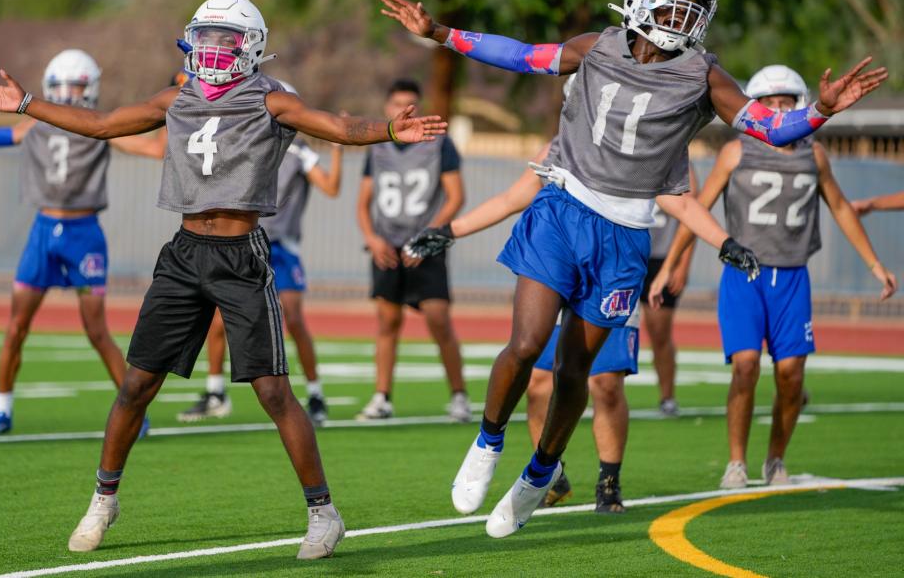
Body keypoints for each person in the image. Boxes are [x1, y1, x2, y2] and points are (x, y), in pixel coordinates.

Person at [379, 0, 887, 537]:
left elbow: (770, 128)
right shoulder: (597, 44)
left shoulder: (704, 74)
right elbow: (521, 56)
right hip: (562, 209)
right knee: (526, 343)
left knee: (577, 370)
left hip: (625, 234)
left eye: (695, 3)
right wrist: (438, 32)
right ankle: (488, 440)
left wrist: (820, 110)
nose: (682, 10)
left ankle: (541, 471)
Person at [0, 0, 447, 559]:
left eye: (227, 41)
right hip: (184, 253)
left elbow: (336, 125)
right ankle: (104, 498)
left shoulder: (270, 100)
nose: (215, 51)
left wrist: (388, 131)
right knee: (135, 385)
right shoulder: (178, 96)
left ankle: (323, 512)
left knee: (273, 390)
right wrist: (25, 103)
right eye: (207, 38)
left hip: (241, 255)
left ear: (252, 49)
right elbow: (100, 124)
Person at [406, 77, 749, 514]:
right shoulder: (560, 147)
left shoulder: (654, 145)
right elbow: (516, 196)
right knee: (530, 357)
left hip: (617, 257)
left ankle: (591, 478)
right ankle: (500, 447)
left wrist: (723, 241)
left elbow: (681, 203)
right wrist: (449, 231)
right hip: (561, 244)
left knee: (598, 380)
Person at [651, 64, 897, 489]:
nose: (779, 108)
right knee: (745, 365)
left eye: (786, 101)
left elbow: (839, 207)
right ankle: (736, 463)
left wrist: (874, 264)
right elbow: (698, 209)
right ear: (756, 106)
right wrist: (670, 265)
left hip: (793, 276)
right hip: (744, 275)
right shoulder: (737, 150)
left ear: (800, 104)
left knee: (791, 375)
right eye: (770, 102)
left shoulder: (813, 154)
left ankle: (775, 459)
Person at [0, 48, 155, 437]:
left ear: (89, 88)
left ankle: (135, 412)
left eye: (75, 86)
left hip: (84, 234)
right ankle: (1, 411)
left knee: (96, 331)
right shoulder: (36, 124)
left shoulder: (100, 126)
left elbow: (156, 148)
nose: (68, 94)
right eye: (61, 86)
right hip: (44, 231)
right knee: (16, 327)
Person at [179, 81, 343, 426]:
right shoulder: (246, 145)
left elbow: (330, 187)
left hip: (281, 247)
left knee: (294, 320)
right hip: (245, 245)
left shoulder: (299, 153)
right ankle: (215, 392)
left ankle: (315, 394)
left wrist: (338, 149)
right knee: (219, 320)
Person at [355, 78, 470, 422]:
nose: (404, 109)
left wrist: (428, 236)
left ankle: (459, 395)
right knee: (387, 320)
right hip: (388, 243)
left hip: (425, 244)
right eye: (396, 103)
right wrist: (373, 239)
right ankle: (382, 396)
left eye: (411, 102)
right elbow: (363, 202)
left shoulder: (438, 143)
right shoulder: (377, 146)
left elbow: (456, 196)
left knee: (438, 318)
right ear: (387, 108)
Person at [641, 169, 698, 417]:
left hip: (662, 257)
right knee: (604, 327)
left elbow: (692, 213)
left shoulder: (680, 161)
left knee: (659, 331)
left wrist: (682, 264)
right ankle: (597, 391)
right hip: (625, 252)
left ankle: (667, 397)